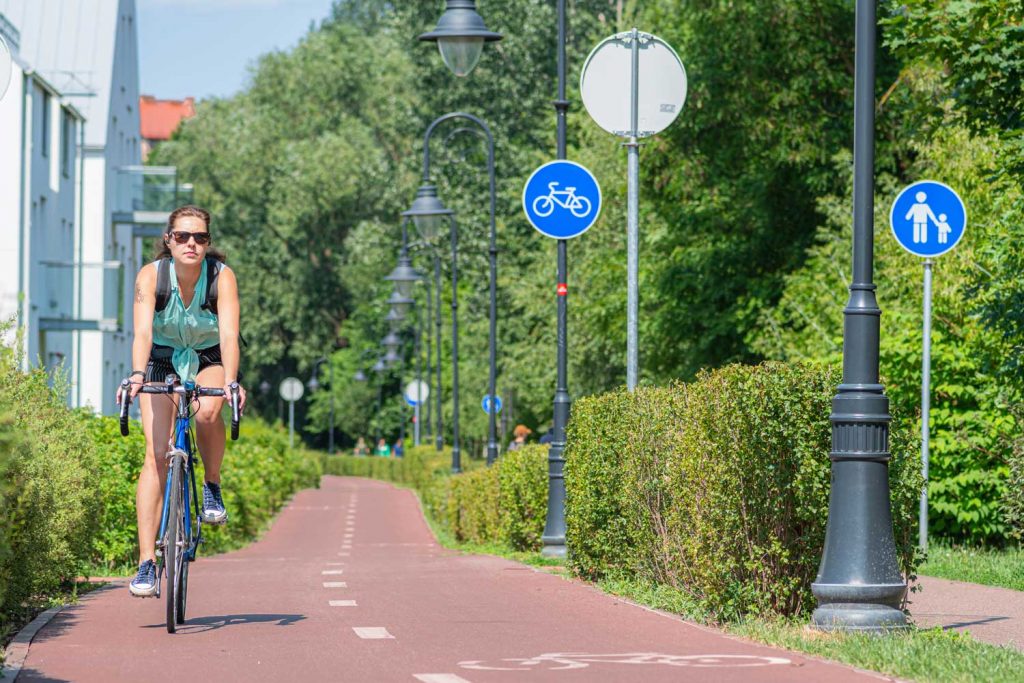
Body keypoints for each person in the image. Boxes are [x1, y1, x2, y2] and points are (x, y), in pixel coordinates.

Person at [120, 205, 247, 598]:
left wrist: (231, 383)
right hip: (161, 359)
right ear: (169, 240)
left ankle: (211, 484)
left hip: (209, 357)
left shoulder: (221, 278)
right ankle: (146, 562)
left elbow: (229, 335)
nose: (191, 243)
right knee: (155, 455)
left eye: (200, 237)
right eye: (182, 236)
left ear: (208, 243)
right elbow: (142, 333)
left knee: (208, 412)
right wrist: (137, 376)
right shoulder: (151, 276)